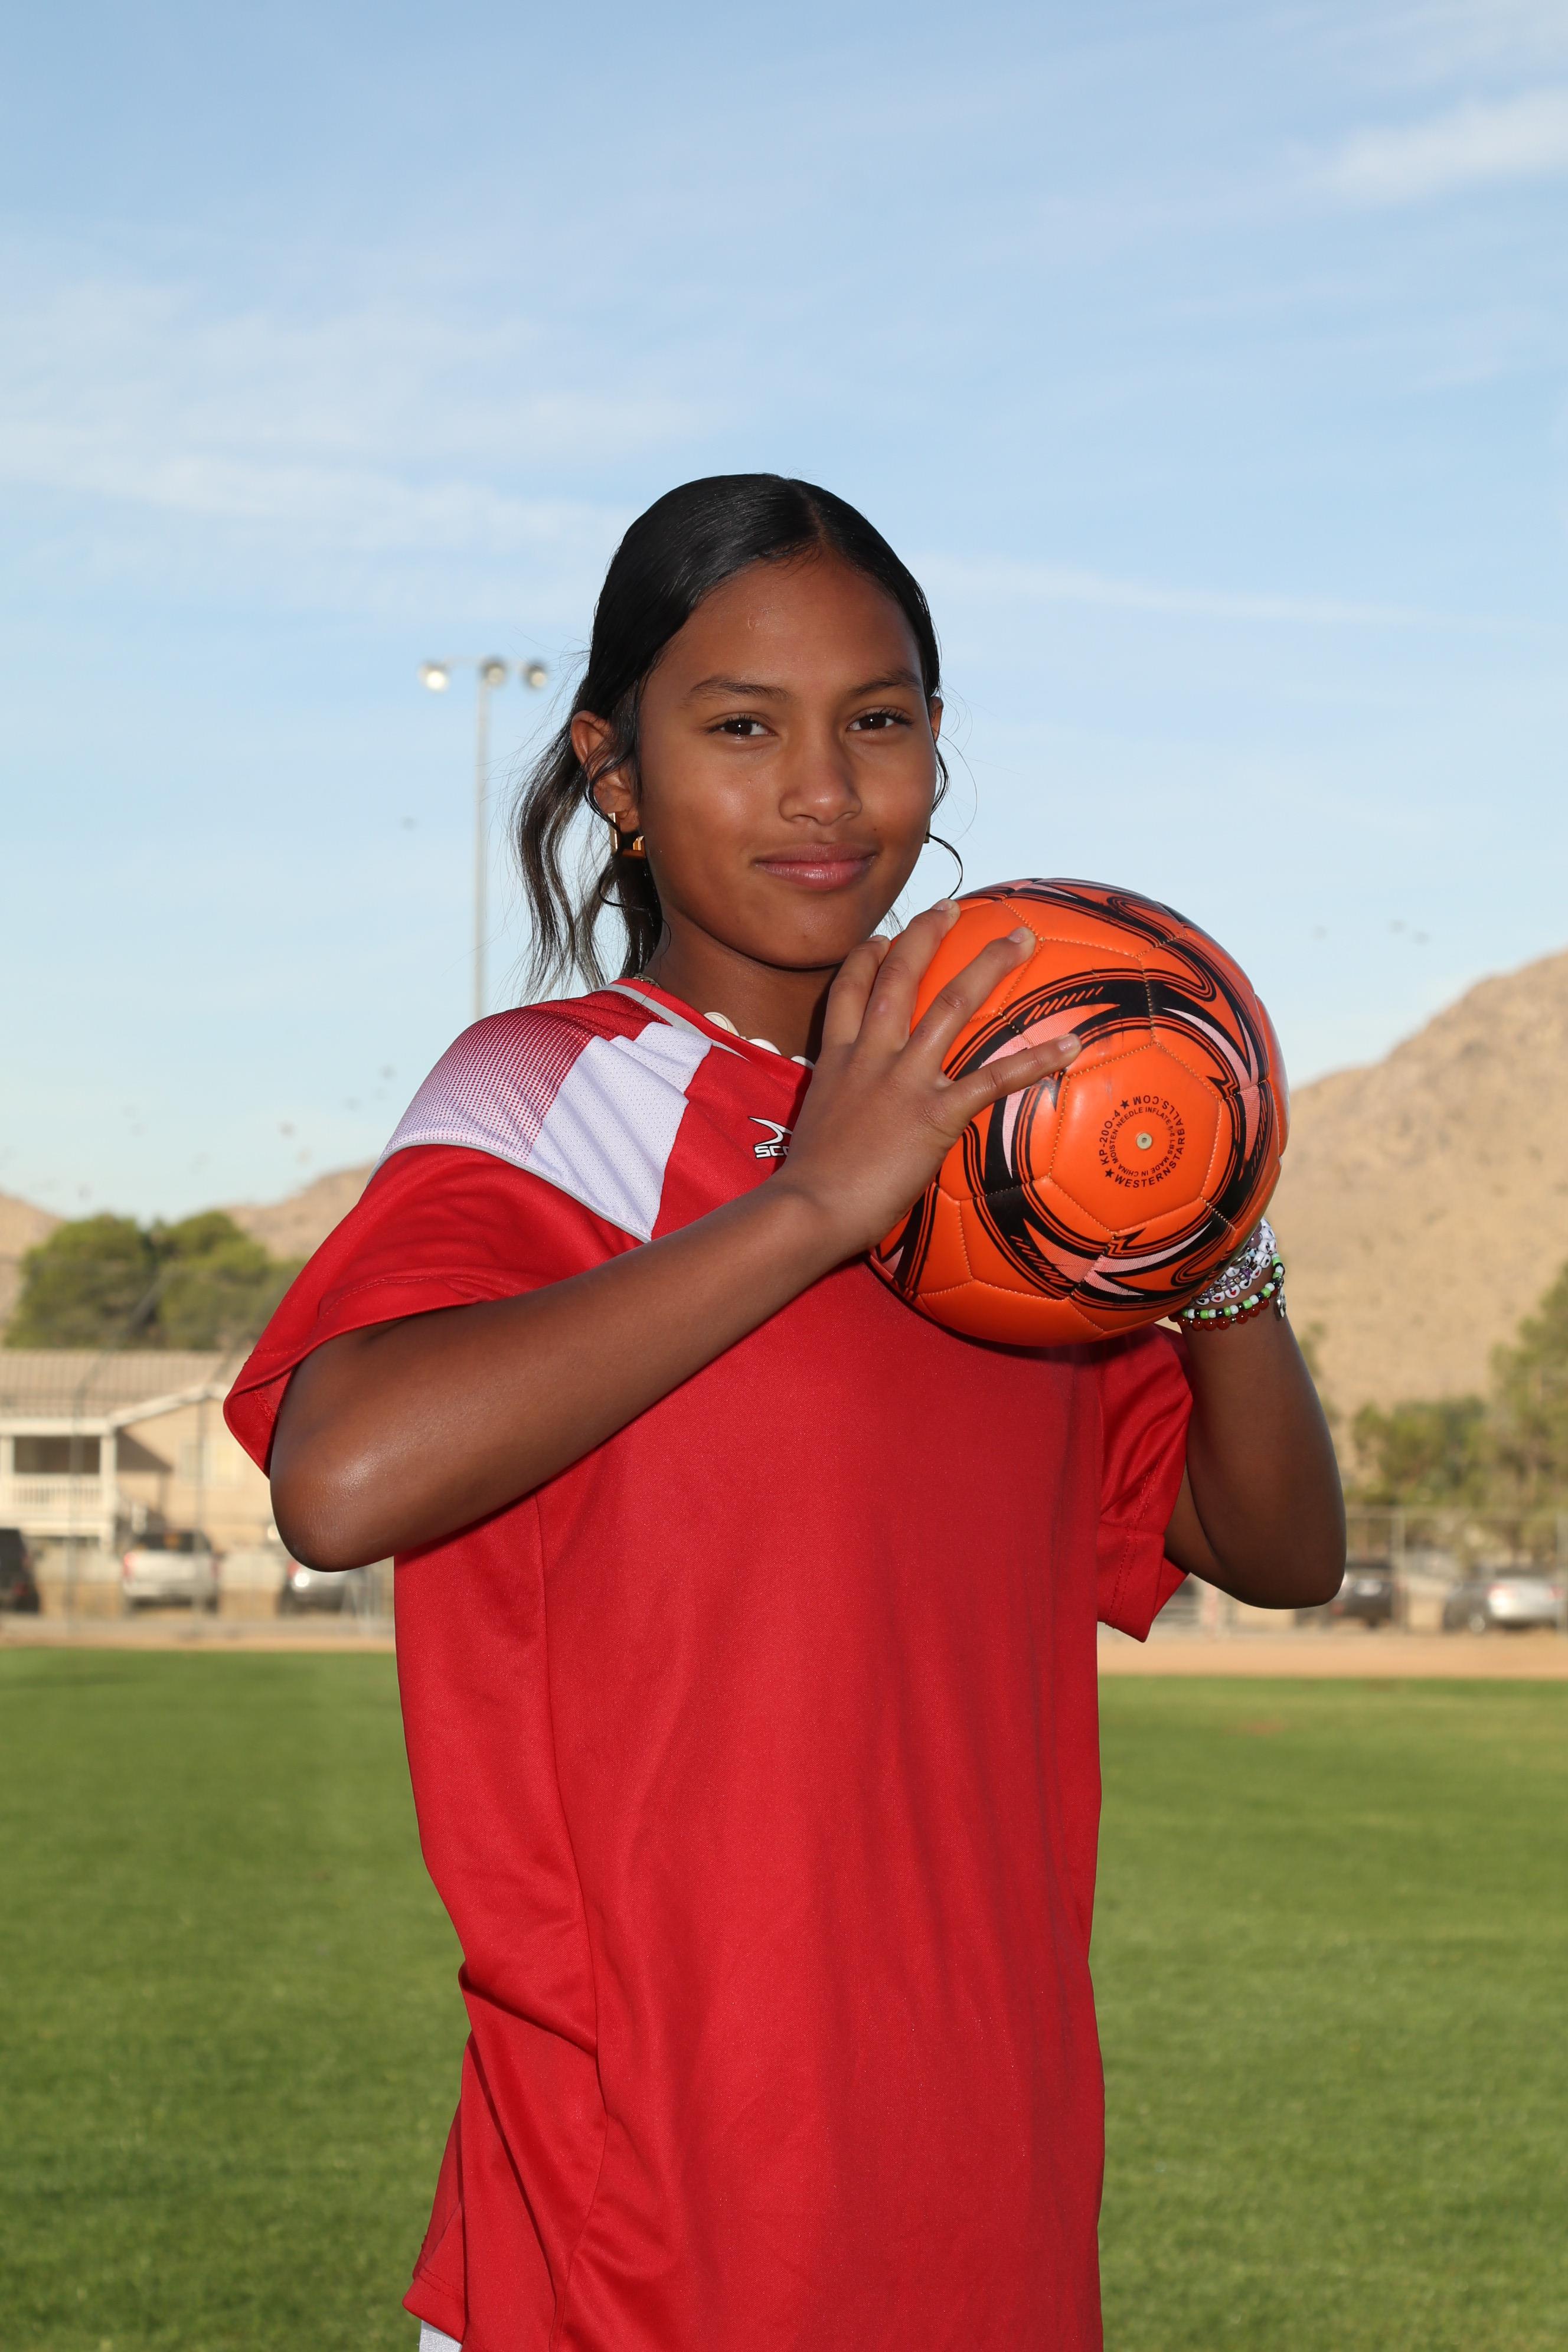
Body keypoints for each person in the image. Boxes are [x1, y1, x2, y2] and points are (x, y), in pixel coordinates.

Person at [224, 474, 1343, 2352]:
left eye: (877, 722)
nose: (823, 790)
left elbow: (1279, 1549)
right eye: (742, 728)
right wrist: (817, 1203)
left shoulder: (1011, 1163)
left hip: (985, 2215)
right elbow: (341, 1480)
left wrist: (1212, 1223)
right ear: (614, 770)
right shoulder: (552, 1094)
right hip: (629, 2241)